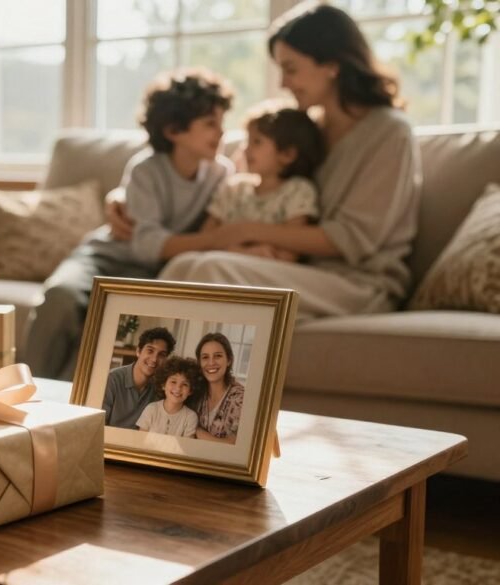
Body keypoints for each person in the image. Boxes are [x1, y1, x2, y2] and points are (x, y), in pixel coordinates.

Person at [108, 3, 421, 320]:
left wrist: (244, 231)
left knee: (209, 269)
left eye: (291, 68)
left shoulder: (390, 133)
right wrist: (124, 195)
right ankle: (142, 368)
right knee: (183, 264)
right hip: (292, 268)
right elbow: (236, 181)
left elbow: (351, 239)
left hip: (357, 284)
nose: (284, 83)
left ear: (332, 64)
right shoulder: (306, 128)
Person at [26, 69, 235, 380]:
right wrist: (217, 239)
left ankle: (74, 404)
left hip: (147, 273)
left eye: (221, 122)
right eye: (210, 124)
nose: (221, 132)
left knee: (112, 325)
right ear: (174, 130)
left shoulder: (222, 174)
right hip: (104, 258)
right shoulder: (146, 170)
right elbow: (146, 244)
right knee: (60, 296)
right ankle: (28, 388)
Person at [201, 103, 324, 262]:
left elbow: (288, 255)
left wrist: (238, 253)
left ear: (287, 154)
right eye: (247, 141)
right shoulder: (233, 188)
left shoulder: (298, 191)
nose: (246, 149)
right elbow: (205, 239)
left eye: (257, 142)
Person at [102, 326, 176, 429]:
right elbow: (98, 424)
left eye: (161, 355)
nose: (154, 359)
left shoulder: (161, 388)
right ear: (138, 351)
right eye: (150, 351)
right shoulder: (111, 380)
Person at [190, 332, 244, 444]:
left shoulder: (241, 398)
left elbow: (237, 445)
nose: (211, 363)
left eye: (218, 356)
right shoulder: (194, 391)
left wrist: (197, 431)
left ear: (229, 360)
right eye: (205, 357)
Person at [135, 355, 202, 438]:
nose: (178, 388)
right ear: (163, 384)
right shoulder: (151, 409)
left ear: (191, 390)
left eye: (185, 384)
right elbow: (140, 440)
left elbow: (187, 448)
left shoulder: (190, 417)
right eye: (173, 382)